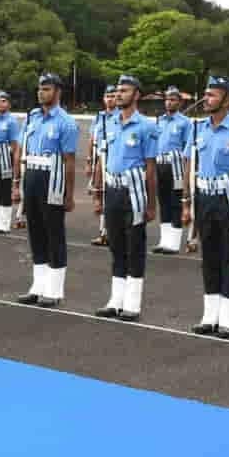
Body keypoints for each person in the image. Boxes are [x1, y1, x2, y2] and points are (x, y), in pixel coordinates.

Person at [183, 76, 229, 338]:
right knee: (209, 257)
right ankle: (209, 316)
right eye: (206, 93)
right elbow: (190, 166)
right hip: (204, 198)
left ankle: (227, 319)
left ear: (227, 100)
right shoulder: (197, 129)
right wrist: (186, 202)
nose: (206, 98)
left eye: (212, 95)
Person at [94, 74, 158, 321]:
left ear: (137, 95)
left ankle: (132, 303)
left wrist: (151, 204)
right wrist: (99, 192)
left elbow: (150, 167)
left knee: (135, 247)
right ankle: (115, 301)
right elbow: (103, 159)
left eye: (125, 90)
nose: (119, 94)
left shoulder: (146, 126)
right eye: (118, 90)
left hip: (135, 191)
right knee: (116, 245)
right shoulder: (109, 123)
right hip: (113, 189)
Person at [16, 73, 79, 307]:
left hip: (52, 179)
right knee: (36, 233)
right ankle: (38, 286)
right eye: (40, 89)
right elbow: (23, 150)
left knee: (54, 234)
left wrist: (69, 194)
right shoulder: (32, 117)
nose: (41, 93)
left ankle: (54, 289)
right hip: (32, 175)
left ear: (58, 92)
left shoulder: (65, 122)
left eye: (47, 89)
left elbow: (69, 161)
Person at [153, 86, 189, 254]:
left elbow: (188, 149)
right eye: (167, 99)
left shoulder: (185, 123)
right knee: (163, 202)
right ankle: (164, 241)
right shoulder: (159, 121)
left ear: (180, 103)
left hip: (176, 167)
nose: (169, 102)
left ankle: (174, 243)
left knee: (176, 202)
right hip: (160, 164)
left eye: (173, 99)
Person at [0, 91, 22, 234]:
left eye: (4, 101)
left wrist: (15, 164)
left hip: (5, 157)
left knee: (5, 190)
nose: (0, 104)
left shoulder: (11, 121)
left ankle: (5, 223)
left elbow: (15, 146)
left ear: (9, 104)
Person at [89, 85, 117, 246]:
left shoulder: (120, 117)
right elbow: (92, 139)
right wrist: (89, 161)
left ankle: (110, 232)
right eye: (108, 96)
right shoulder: (99, 117)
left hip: (113, 159)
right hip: (100, 159)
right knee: (99, 193)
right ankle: (103, 231)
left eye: (113, 96)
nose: (110, 99)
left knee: (111, 195)